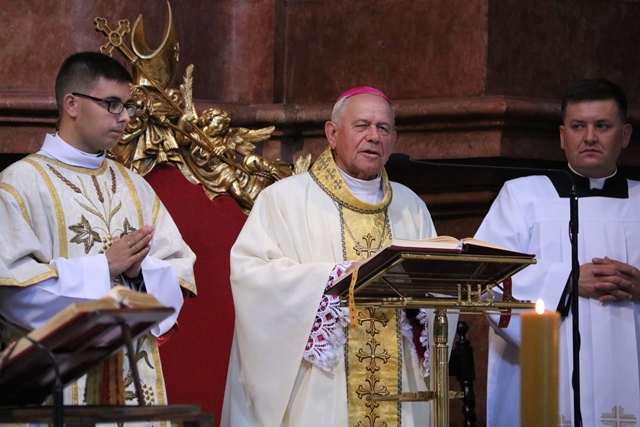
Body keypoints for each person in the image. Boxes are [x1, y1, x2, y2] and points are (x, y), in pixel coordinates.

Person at [221, 86, 457, 427]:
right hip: (321, 391)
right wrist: (335, 279)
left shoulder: (411, 207)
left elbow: (438, 290)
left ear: (393, 140)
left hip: (400, 392)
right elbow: (253, 277)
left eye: (383, 128)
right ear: (332, 134)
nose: (373, 136)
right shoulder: (284, 199)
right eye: (362, 126)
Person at [0, 52, 196, 411]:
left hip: (133, 380)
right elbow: (14, 295)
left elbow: (179, 271)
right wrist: (102, 267)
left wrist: (139, 274)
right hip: (54, 385)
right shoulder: (19, 184)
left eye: (128, 106)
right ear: (71, 104)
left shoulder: (136, 187)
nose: (125, 117)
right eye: (112, 104)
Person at [475, 78, 640, 426]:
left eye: (603, 126)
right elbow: (485, 276)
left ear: (625, 135)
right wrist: (567, 281)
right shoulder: (522, 197)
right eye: (578, 126)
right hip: (548, 373)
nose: (590, 137)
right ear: (563, 136)